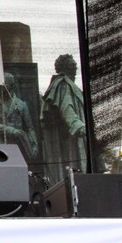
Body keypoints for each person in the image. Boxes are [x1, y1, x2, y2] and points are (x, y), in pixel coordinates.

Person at [40, 54, 87, 183]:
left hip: (74, 135)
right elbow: (66, 108)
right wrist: (78, 126)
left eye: (75, 65)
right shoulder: (63, 84)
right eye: (72, 65)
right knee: (75, 167)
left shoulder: (70, 85)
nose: (76, 67)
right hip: (72, 136)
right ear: (66, 68)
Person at [0, 72, 39, 160]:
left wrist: (34, 145)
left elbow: (30, 128)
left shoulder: (21, 105)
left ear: (11, 86)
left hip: (17, 148)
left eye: (3, 83)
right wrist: (11, 130)